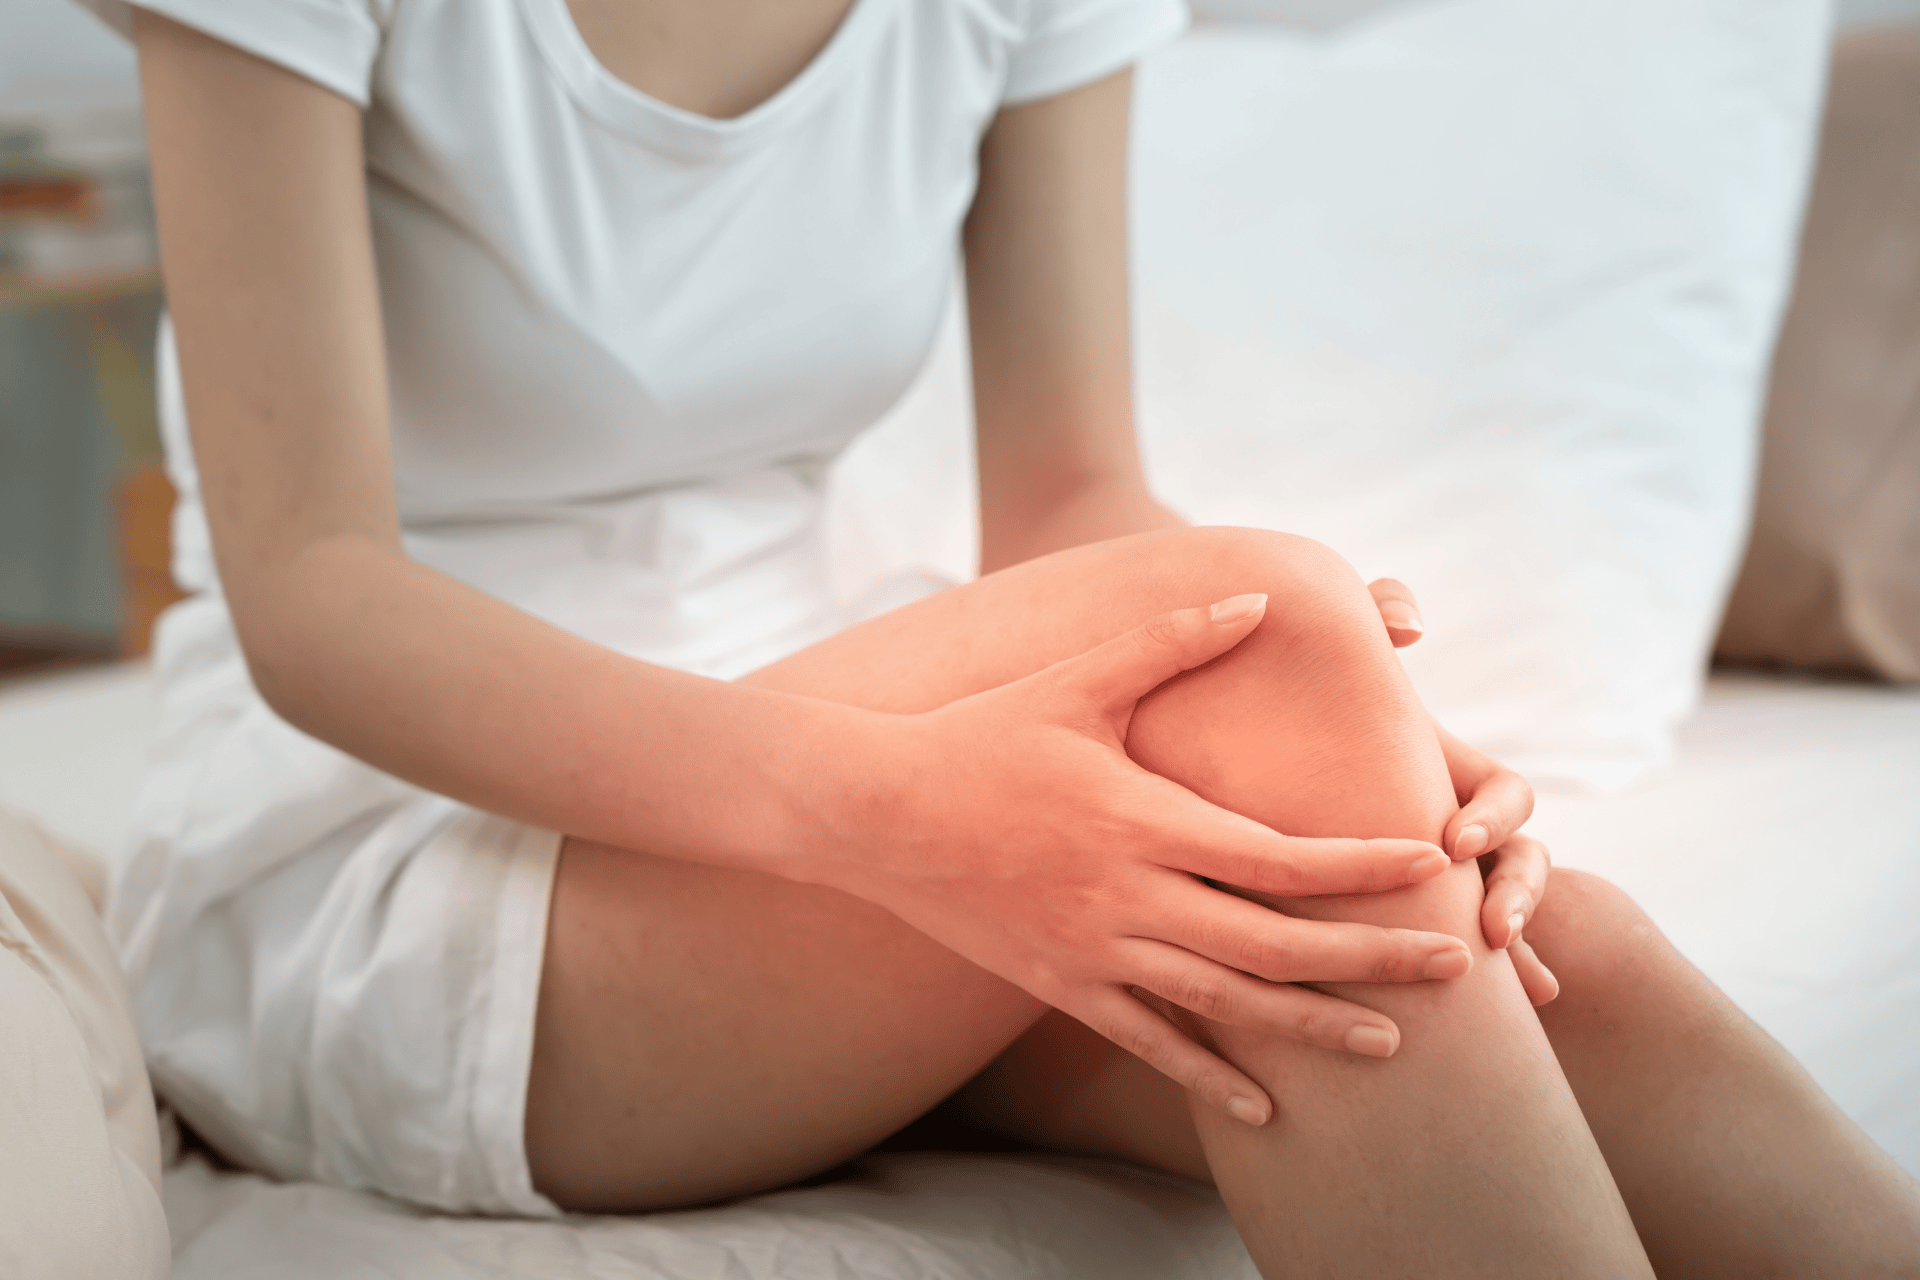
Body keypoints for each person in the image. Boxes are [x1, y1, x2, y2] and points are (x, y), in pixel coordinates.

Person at [97, 0, 1919, 1274]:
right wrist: (904, 809)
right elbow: (317, 598)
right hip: (404, 839)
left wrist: (1376, 744)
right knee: (1274, 628)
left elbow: (1067, 496)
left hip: (829, 786)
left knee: (1535, 960)